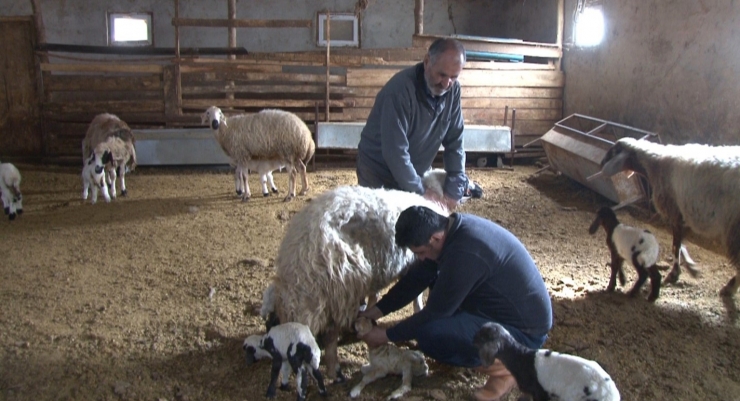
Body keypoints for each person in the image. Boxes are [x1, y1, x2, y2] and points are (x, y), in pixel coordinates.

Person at [357, 206, 553, 401]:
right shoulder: (452, 231)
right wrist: (376, 312)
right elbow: (416, 279)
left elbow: (435, 312)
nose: (420, 257)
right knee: (433, 280)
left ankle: (507, 368)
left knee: (430, 335)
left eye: (421, 252)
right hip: (494, 310)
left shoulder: (466, 252)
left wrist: (385, 335)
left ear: (435, 238)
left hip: (523, 334)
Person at [356, 38, 468, 211]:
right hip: (378, 172)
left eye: (454, 77)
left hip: (412, 171)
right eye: (442, 75)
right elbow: (395, 152)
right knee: (378, 222)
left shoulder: (452, 91)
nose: (447, 84)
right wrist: (421, 191)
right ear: (426, 62)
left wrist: (455, 188)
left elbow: (455, 141)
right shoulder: (399, 92)